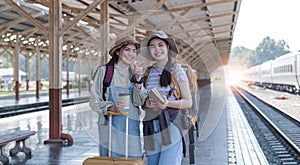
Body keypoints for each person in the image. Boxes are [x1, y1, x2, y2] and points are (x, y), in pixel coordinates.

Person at [89, 34, 148, 158]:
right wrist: (111, 108)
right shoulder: (105, 72)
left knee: (132, 160)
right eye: (127, 50)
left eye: (134, 51)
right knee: (111, 159)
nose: (131, 54)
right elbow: (94, 101)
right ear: (117, 52)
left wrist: (138, 81)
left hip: (131, 126)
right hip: (110, 126)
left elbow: (139, 103)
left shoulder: (135, 73)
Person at [141, 31, 192, 165]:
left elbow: (188, 102)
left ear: (167, 48)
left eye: (160, 45)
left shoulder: (177, 70)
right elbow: (144, 101)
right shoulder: (147, 73)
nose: (157, 49)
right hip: (151, 125)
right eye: (152, 46)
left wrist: (167, 103)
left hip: (171, 124)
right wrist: (147, 103)